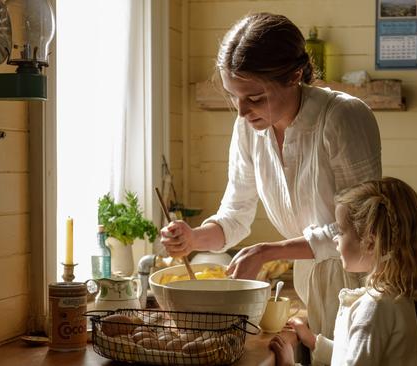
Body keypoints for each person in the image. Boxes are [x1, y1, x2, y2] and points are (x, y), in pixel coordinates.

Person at [160, 12, 381, 339]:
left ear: (294, 76)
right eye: (233, 96)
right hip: (309, 286)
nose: (242, 111)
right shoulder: (249, 131)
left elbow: (363, 229)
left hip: (363, 286)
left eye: (254, 97)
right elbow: (235, 216)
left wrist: (268, 251)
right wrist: (194, 238)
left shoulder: (343, 117)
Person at [270, 177, 417, 366]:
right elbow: (361, 356)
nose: (335, 239)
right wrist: (314, 342)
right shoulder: (398, 296)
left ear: (370, 242)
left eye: (342, 231)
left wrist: (288, 365)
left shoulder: (374, 309)